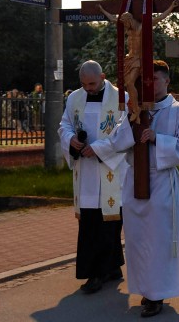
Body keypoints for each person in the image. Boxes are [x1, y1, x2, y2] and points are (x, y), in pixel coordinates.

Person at [100, 60, 179, 318]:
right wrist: (131, 125)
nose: (150, 84)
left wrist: (158, 139)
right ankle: (144, 288)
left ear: (167, 81)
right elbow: (117, 143)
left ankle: (157, 294)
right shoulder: (135, 109)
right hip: (134, 180)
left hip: (162, 180)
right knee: (137, 240)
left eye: (155, 79)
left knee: (158, 240)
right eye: (146, 80)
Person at [57, 60, 126, 295]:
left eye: (92, 83)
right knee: (89, 223)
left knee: (110, 223)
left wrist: (98, 149)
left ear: (103, 76)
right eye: (84, 84)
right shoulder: (74, 97)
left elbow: (124, 130)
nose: (88, 88)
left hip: (109, 169)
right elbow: (64, 124)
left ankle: (103, 271)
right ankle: (101, 269)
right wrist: (71, 140)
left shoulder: (120, 97)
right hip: (85, 172)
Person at [97, 0, 179, 123]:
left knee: (130, 82)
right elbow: (114, 19)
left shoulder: (142, 27)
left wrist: (171, 7)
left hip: (138, 59)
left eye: (126, 23)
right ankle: (136, 109)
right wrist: (102, 10)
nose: (124, 26)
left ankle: (136, 110)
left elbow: (160, 18)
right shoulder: (128, 29)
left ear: (130, 20)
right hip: (129, 59)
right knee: (129, 84)